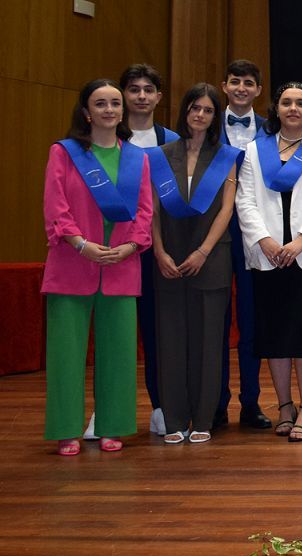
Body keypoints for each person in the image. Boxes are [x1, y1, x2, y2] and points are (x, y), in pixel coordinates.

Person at [42, 78, 153, 456]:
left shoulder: (137, 157)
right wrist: (81, 244)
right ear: (87, 112)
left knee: (119, 355)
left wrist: (130, 246)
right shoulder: (64, 152)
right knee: (65, 356)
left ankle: (112, 425)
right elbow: (57, 207)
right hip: (73, 263)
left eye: (115, 104)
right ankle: (66, 429)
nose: (110, 110)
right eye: (101, 103)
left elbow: (144, 212)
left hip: (122, 265)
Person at [234, 82, 302, 442]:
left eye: (300, 103)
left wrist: (299, 241)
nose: (293, 108)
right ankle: (284, 405)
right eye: (286, 103)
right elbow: (244, 200)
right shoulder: (254, 150)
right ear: (276, 109)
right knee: (274, 332)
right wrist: (264, 240)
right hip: (267, 256)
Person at [146, 83, 238, 445]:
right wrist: (158, 251)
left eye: (208, 110)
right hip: (168, 255)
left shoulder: (227, 156)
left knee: (208, 340)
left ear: (216, 116)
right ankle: (173, 419)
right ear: (184, 111)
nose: (200, 115)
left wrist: (203, 251)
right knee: (170, 339)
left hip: (211, 256)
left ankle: (202, 418)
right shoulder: (160, 155)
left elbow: (227, 209)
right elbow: (151, 209)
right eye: (194, 108)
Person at [118, 63, 178, 438]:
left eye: (148, 89)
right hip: (117, 250)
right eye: (134, 89)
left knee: (158, 333)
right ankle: (109, 410)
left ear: (158, 96)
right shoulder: (108, 136)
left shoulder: (171, 140)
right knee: (119, 333)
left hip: (159, 250)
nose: (141, 96)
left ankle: (160, 406)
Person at [218, 59, 272, 430]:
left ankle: (250, 402)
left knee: (252, 322)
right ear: (224, 86)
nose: (240, 88)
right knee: (216, 322)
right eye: (234, 81)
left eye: (248, 83)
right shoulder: (203, 128)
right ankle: (215, 401)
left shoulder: (272, 132)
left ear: (257, 90)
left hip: (256, 235)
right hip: (214, 237)